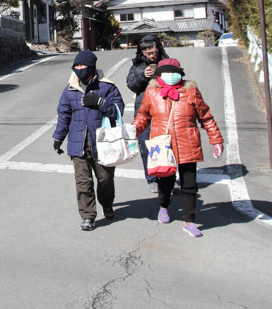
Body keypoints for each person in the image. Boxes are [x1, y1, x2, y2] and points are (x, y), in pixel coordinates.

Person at [133, 58, 225, 237]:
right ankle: (164, 206)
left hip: (188, 143)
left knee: (189, 184)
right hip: (162, 145)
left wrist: (216, 139)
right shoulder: (151, 92)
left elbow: (205, 116)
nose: (170, 75)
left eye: (173, 72)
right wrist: (131, 132)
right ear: (159, 75)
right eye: (165, 72)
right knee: (165, 182)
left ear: (180, 74)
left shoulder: (191, 92)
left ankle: (189, 221)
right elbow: (143, 116)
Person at [52, 50, 126, 232]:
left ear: (91, 67)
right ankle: (87, 216)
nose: (79, 69)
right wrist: (58, 138)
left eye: (82, 65)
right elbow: (64, 115)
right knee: (83, 183)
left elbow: (118, 110)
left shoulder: (107, 87)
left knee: (105, 179)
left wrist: (101, 102)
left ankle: (107, 204)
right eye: (76, 66)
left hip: (103, 144)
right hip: (78, 145)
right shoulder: (70, 90)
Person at [125, 35, 169, 193]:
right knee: (146, 147)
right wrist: (144, 76)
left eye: (153, 51)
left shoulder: (167, 63)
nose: (151, 55)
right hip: (144, 113)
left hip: (165, 113)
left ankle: (168, 178)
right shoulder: (137, 66)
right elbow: (131, 85)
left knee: (166, 146)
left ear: (158, 48)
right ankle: (151, 178)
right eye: (147, 53)